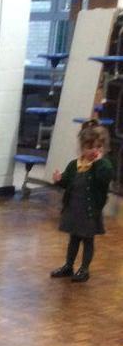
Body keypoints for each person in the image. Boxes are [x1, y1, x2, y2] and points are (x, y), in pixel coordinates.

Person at [50, 120, 113, 283]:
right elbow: (67, 181)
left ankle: (84, 269)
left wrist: (99, 162)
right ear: (82, 148)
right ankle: (68, 265)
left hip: (90, 212)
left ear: (104, 148)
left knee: (88, 240)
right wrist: (59, 179)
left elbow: (105, 177)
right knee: (73, 239)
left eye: (99, 147)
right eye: (90, 147)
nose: (94, 151)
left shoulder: (103, 165)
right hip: (74, 209)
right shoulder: (75, 164)